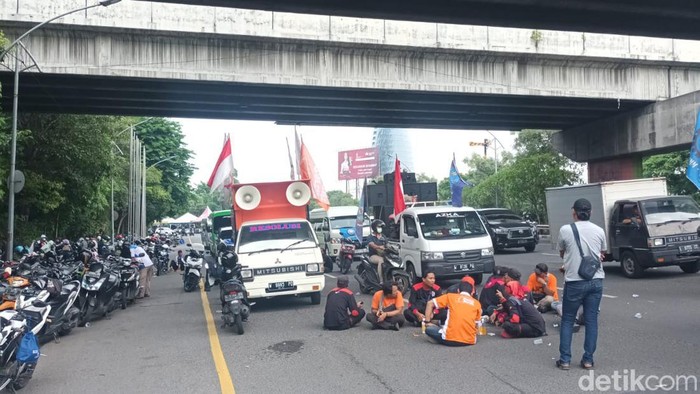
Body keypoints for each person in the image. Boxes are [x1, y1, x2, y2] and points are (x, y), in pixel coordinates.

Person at [555, 198, 606, 371]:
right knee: (591, 321)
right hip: (596, 280)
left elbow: (562, 252)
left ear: (573, 212)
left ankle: (565, 360)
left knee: (568, 320)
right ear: (590, 212)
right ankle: (588, 360)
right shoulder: (599, 230)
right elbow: (601, 253)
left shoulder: (565, 230)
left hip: (575, 282)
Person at [424, 281, 482, 346]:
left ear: (458, 290)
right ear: (472, 292)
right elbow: (477, 326)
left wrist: (427, 322)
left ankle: (439, 337)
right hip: (469, 341)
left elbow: (430, 303)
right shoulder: (477, 304)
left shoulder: (450, 297)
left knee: (429, 329)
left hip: (449, 339)